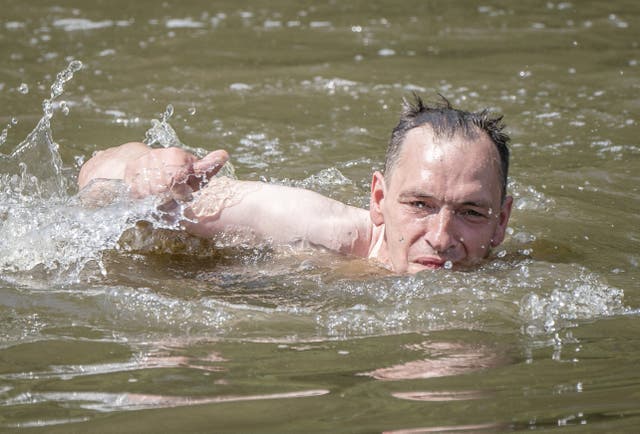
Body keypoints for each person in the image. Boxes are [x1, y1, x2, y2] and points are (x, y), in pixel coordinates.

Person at [78, 95, 513, 274]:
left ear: (502, 221)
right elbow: (97, 175)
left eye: (471, 212)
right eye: (420, 204)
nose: (440, 238)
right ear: (378, 199)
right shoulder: (310, 228)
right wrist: (141, 169)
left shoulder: (524, 274)